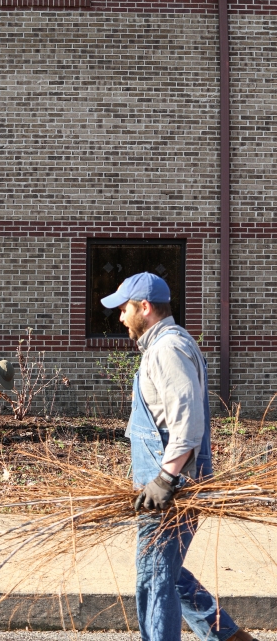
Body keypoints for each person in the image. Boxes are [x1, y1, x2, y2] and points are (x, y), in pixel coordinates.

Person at [101, 272, 259, 641]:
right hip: (165, 486)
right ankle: (229, 636)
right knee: (165, 571)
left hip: (174, 489)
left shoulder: (167, 349)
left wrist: (165, 480)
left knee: (153, 577)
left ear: (145, 307)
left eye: (124, 309)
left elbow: (188, 422)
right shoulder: (163, 347)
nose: (121, 318)